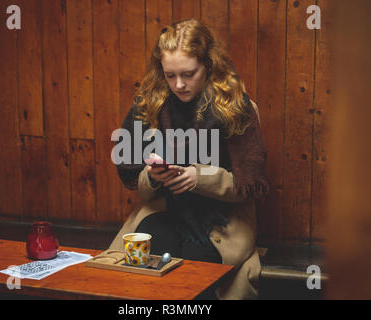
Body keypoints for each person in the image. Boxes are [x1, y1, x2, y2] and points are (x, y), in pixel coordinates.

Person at [108, 18, 269, 300]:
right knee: (141, 281)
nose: (179, 84)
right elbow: (134, 179)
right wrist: (154, 177)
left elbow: (246, 188)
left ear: (208, 65)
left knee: (194, 283)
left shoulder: (236, 108)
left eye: (188, 74)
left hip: (219, 224)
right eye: (170, 76)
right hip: (164, 212)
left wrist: (199, 178)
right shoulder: (150, 105)